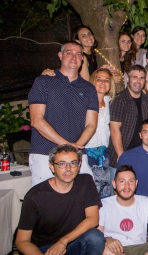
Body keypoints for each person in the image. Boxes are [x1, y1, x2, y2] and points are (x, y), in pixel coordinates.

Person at [16, 145, 104, 255]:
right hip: (43, 248)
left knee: (96, 237)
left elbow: (93, 219)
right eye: (62, 164)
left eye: (73, 163)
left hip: (71, 243)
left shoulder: (85, 182)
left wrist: (63, 242)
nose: (68, 168)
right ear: (51, 167)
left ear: (79, 165)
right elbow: (21, 241)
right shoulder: (35, 196)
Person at [29, 41, 98, 186]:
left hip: (77, 156)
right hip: (45, 154)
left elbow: (91, 124)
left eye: (78, 54)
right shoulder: (43, 82)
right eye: (69, 53)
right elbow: (36, 120)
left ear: (82, 59)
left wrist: (75, 147)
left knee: (84, 199)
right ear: (60, 56)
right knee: (46, 203)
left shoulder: (89, 88)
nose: (74, 57)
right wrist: (67, 146)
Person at [107, 65, 148, 176]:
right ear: (128, 79)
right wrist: (121, 155)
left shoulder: (147, 100)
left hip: (141, 155)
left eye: (141, 78)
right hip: (122, 154)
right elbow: (114, 129)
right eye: (135, 77)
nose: (138, 81)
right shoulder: (119, 100)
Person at [86, 68, 116, 198]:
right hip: (87, 149)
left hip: (104, 150)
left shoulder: (110, 101)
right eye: (99, 79)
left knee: (104, 189)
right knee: (89, 188)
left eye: (106, 80)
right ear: (93, 81)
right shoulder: (85, 100)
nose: (103, 83)